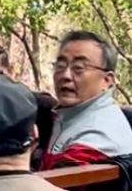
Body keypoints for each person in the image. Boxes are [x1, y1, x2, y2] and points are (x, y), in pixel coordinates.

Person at [43, 31, 132, 169]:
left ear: (106, 80)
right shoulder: (66, 117)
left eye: (79, 68)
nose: (65, 75)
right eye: (60, 65)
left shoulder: (98, 137)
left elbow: (57, 181)